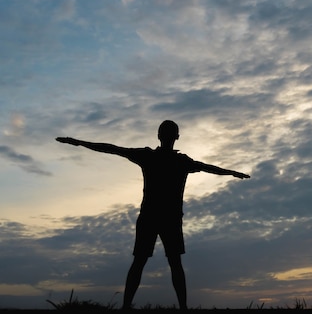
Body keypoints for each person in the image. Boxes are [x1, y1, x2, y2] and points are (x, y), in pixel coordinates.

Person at [56, 120, 249, 310]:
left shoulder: (158, 158)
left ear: (159, 136)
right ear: (177, 137)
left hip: (156, 217)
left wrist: (79, 142)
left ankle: (130, 306)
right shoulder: (176, 161)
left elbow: (113, 148)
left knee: (147, 262)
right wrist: (232, 172)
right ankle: (177, 307)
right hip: (164, 218)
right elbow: (209, 168)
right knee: (169, 262)